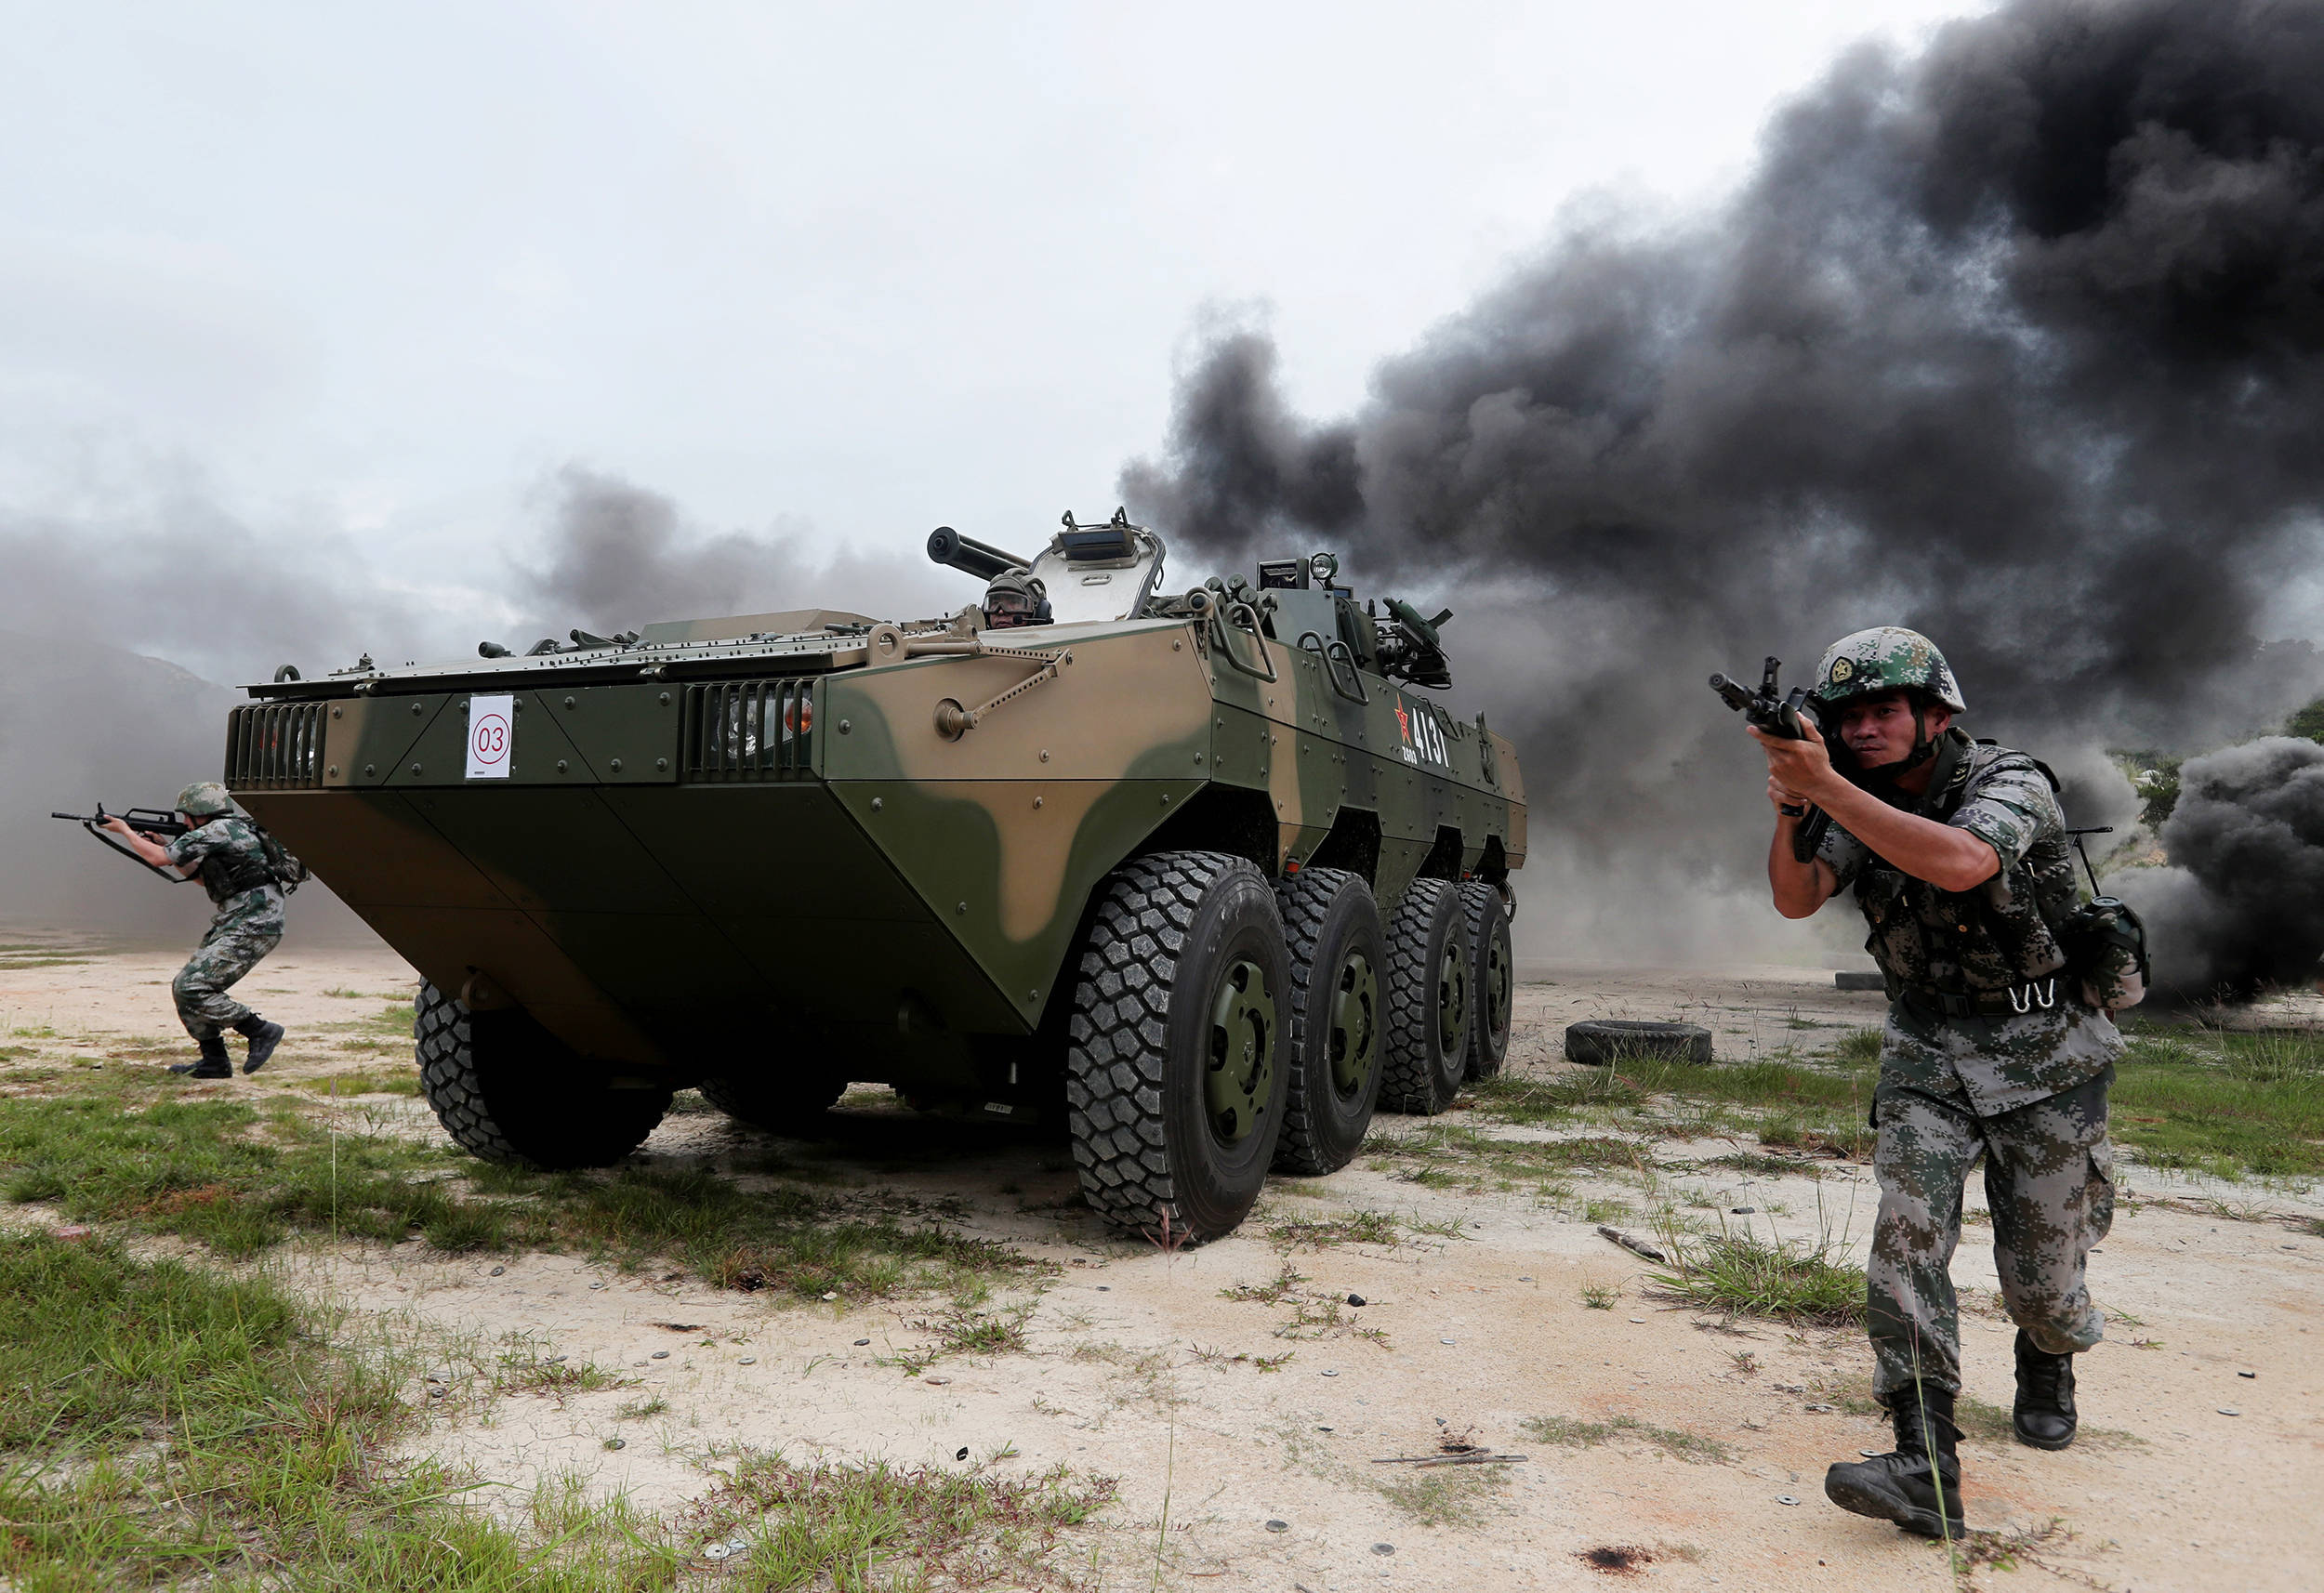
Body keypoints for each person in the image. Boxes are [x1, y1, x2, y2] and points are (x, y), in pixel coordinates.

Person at [1750, 627, 2122, 1540]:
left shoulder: (2010, 781)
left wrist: (1825, 782)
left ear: (1935, 715)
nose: (1864, 729)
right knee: (1905, 1230)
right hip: (1927, 1040)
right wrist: (1792, 807)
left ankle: (2048, 1349)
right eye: (1848, 718)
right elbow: (1795, 896)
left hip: (2045, 1045)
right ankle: (1923, 1459)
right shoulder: (1849, 793)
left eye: (1883, 711)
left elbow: (1961, 861)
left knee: (2043, 1285)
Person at [103, 782, 291, 1080]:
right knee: (184, 986)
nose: (185, 822)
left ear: (203, 812)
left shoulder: (220, 830)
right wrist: (166, 844)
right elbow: (201, 878)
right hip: (240, 918)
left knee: (193, 987)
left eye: (188, 815)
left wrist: (126, 832)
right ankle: (214, 1061)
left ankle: (260, 1030)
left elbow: (157, 858)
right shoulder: (228, 832)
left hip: (254, 921)